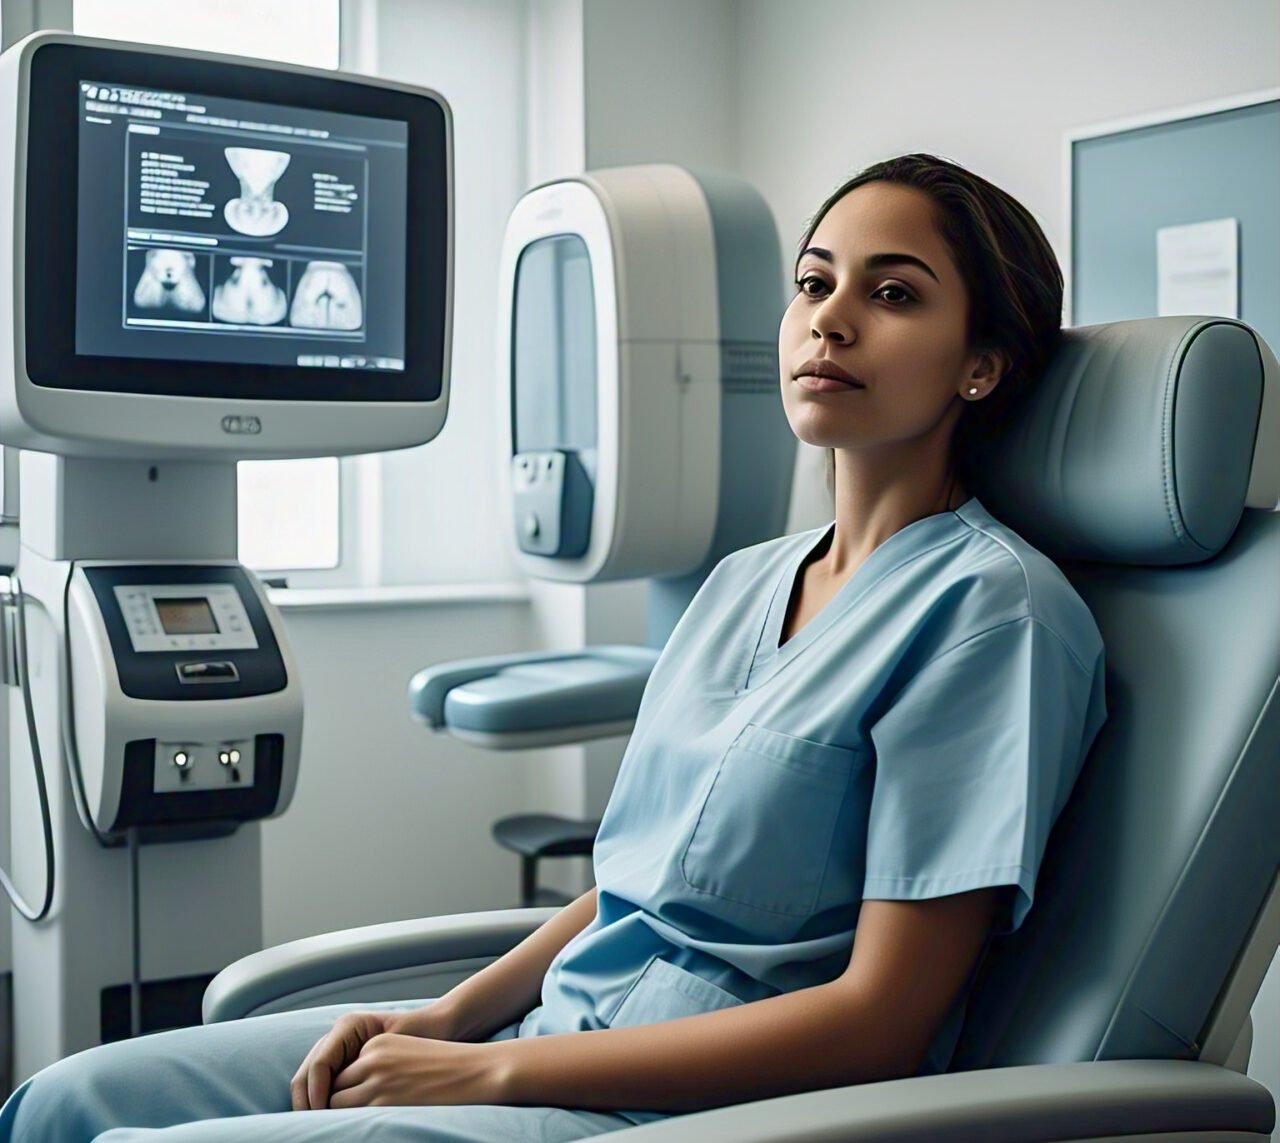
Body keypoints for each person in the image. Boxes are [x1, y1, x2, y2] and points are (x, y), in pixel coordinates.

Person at [0, 154, 1107, 1142]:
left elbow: (878, 1023)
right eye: (812, 284)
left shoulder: (990, 614)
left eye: (892, 293)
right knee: (64, 1103)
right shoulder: (743, 582)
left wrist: (489, 1073)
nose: (828, 320)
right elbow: (633, 887)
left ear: (981, 367)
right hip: (554, 1028)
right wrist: (438, 1019)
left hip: (685, 1104)